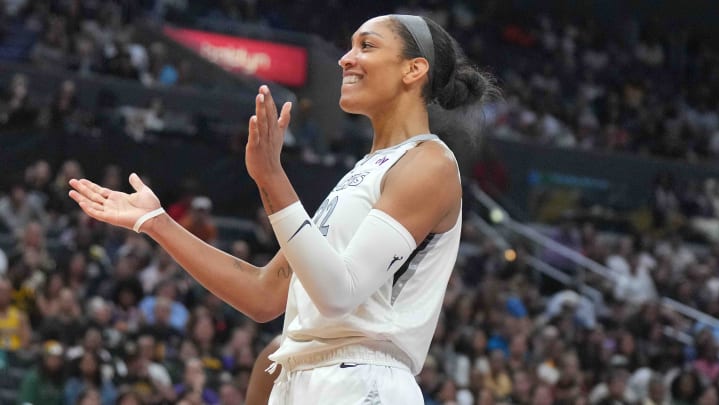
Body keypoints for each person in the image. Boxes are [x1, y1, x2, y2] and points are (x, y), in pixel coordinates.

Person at [68, 13, 496, 404]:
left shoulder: (430, 163)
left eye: (367, 46)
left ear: (413, 69)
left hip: (364, 381)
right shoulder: (361, 174)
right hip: (305, 379)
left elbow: (338, 294)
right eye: (349, 46)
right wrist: (156, 222)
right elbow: (263, 295)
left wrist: (271, 177)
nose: (346, 59)